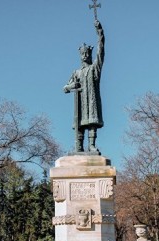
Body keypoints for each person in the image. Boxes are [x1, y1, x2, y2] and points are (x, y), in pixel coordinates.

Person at [63, 20, 105, 153]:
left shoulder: (94, 68)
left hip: (91, 102)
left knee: (92, 121)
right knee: (79, 123)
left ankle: (91, 145)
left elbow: (101, 52)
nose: (85, 56)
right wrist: (71, 86)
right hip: (80, 104)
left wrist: (100, 33)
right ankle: (79, 146)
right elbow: (65, 88)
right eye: (83, 54)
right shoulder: (76, 73)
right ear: (80, 56)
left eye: (87, 53)